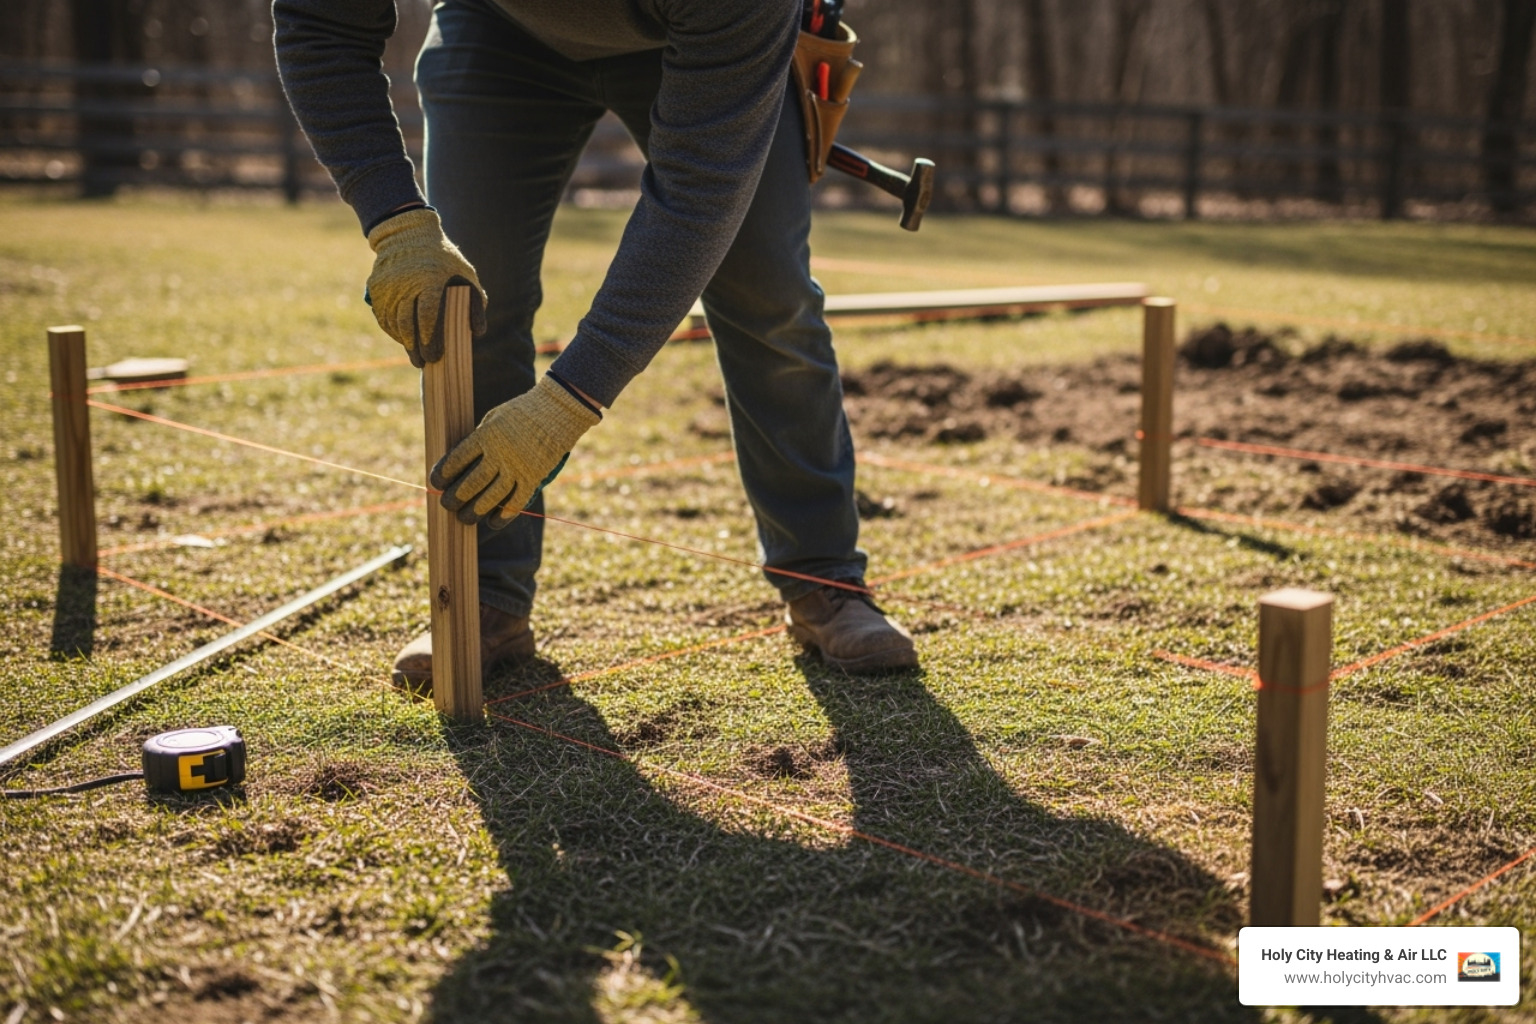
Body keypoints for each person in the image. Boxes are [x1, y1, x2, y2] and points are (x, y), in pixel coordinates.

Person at [272, 0, 917, 686]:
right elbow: (320, 24)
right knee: (471, 302)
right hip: (495, 30)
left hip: (702, 41)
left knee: (769, 298)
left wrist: (566, 404)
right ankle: (485, 593)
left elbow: (699, 192)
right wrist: (396, 224)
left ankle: (822, 577)